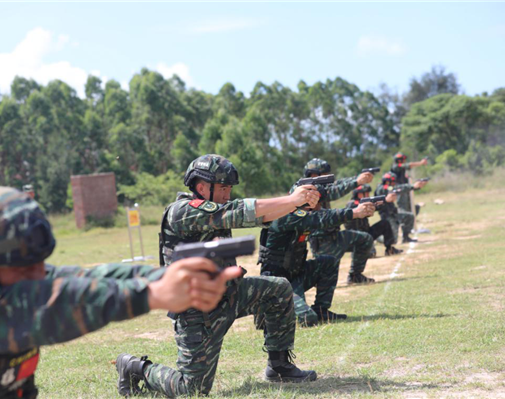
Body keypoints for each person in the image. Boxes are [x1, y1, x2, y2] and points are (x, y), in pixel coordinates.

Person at [0, 186, 241, 398]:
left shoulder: (5, 278)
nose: (40, 274)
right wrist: (151, 293)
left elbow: (90, 277)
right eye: (24, 268)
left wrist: (167, 276)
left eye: (40, 262)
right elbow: (42, 307)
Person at [116, 154, 320, 397]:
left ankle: (279, 367)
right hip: (197, 312)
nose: (227, 193)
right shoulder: (182, 212)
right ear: (201, 187)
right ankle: (136, 368)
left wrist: (296, 204)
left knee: (278, 289)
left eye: (230, 188)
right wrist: (292, 199)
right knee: (192, 390)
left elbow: (263, 216)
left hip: (229, 295)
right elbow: (241, 211)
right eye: (223, 187)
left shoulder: (217, 209)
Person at [258, 191, 375, 326]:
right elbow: (317, 218)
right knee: (308, 319)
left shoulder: (303, 214)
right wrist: (354, 213)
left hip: (296, 277)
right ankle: (266, 314)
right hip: (277, 283)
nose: (319, 204)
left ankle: (321, 310)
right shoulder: (286, 215)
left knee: (329, 262)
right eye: (315, 200)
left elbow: (323, 218)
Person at [302, 159, 378, 285]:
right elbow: (333, 192)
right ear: (314, 175)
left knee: (365, 239)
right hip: (322, 243)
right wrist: (357, 182)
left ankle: (355, 276)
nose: (328, 177)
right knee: (326, 281)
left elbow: (338, 184)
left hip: (335, 237)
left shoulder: (322, 186)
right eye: (325, 174)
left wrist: (357, 178)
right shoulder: (308, 190)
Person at [344, 185, 403, 256]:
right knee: (370, 254)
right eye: (366, 193)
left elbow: (376, 207)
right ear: (359, 194)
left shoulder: (361, 203)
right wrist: (385, 200)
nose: (368, 195)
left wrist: (385, 201)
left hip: (367, 232)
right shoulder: (352, 204)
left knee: (385, 223)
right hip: (357, 236)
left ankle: (389, 249)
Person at [375, 172, 427, 243]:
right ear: (387, 181)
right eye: (393, 181)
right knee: (393, 240)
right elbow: (397, 188)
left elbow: (399, 188)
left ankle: (406, 237)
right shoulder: (381, 188)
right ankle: (376, 237)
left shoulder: (388, 187)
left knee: (409, 216)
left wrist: (413, 187)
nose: (394, 183)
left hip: (393, 213)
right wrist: (412, 186)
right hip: (387, 216)